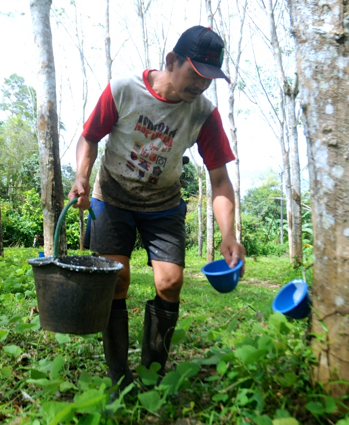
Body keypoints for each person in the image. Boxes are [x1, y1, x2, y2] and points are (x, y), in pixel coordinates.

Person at [68, 25, 246, 392]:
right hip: (112, 197)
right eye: (195, 74)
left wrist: (229, 234)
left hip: (163, 204)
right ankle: (120, 376)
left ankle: (152, 372)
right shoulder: (125, 90)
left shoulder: (203, 114)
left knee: (170, 282)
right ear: (172, 61)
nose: (201, 86)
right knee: (115, 280)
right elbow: (89, 137)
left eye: (209, 79)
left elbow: (220, 181)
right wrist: (82, 177)